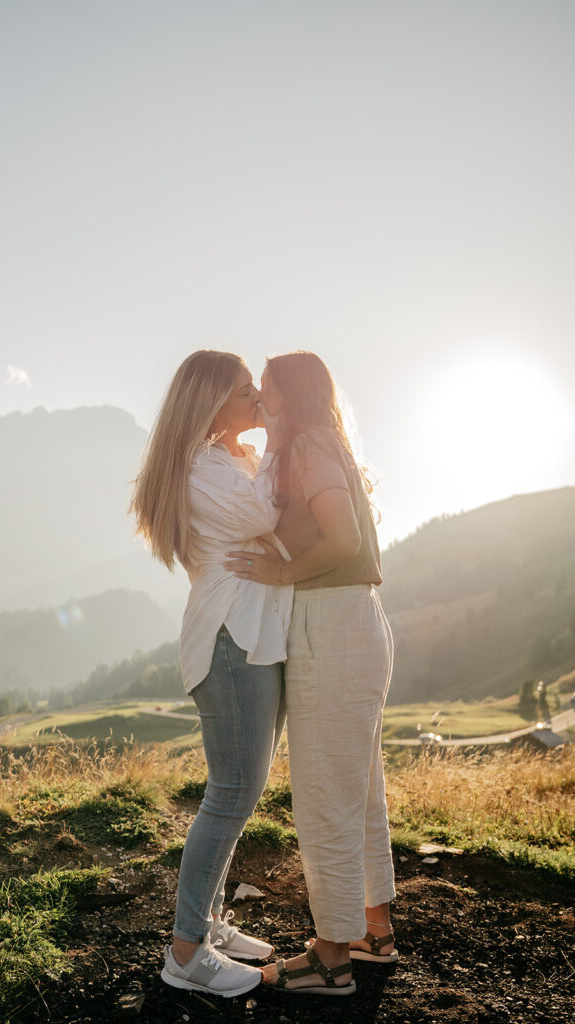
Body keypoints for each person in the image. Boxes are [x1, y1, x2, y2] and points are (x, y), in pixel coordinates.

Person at [225, 351, 397, 997]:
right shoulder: (318, 443)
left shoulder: (309, 445)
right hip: (349, 621)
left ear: (287, 394)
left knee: (326, 795)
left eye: (264, 387)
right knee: (358, 791)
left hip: (330, 624)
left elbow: (344, 539)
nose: (258, 397)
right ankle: (370, 933)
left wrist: (281, 573)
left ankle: (330, 958)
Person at [130, 349, 294, 998]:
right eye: (244, 391)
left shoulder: (228, 461)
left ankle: (208, 923)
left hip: (251, 638)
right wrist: (282, 439)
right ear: (209, 405)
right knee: (231, 793)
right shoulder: (203, 466)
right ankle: (186, 953)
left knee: (238, 793)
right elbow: (267, 517)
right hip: (231, 640)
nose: (257, 399)